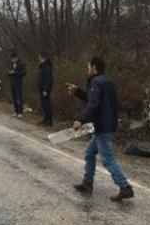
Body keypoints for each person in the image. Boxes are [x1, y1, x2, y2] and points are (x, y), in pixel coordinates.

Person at [66, 56, 134, 202]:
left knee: (108, 159)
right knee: (90, 154)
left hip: (103, 126)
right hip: (107, 124)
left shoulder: (96, 82)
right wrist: (78, 91)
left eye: (89, 66)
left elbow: (93, 104)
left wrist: (80, 119)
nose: (87, 68)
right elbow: (95, 100)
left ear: (94, 67)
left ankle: (125, 187)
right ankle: (87, 183)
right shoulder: (106, 81)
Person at [37, 51, 54, 127]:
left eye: (39, 56)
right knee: (44, 104)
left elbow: (48, 78)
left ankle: (49, 121)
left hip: (45, 89)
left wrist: (45, 89)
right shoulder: (43, 65)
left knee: (47, 104)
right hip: (42, 88)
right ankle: (45, 119)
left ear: (42, 57)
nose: (38, 58)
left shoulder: (47, 66)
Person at [9, 52, 26, 117]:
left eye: (13, 59)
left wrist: (14, 72)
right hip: (12, 83)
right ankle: (16, 111)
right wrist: (10, 73)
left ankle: (20, 112)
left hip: (18, 83)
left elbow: (23, 73)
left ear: (16, 58)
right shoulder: (12, 64)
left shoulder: (21, 64)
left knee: (19, 98)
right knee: (14, 98)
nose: (12, 60)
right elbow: (10, 72)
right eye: (12, 59)